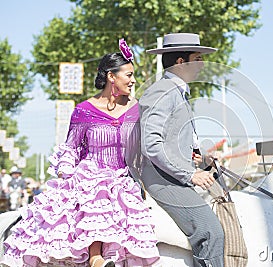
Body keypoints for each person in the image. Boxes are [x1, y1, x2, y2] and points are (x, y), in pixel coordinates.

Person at [1, 39, 160, 267]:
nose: (133, 80)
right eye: (129, 75)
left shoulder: (137, 110)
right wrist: (68, 176)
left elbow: (145, 147)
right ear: (111, 77)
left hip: (124, 180)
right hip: (88, 181)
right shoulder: (83, 111)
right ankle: (95, 258)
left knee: (114, 192)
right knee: (98, 186)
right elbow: (71, 148)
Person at [139, 33, 224, 267]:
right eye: (197, 58)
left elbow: (170, 140)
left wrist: (196, 157)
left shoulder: (177, 91)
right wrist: (190, 174)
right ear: (180, 62)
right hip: (163, 180)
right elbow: (151, 144)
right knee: (211, 233)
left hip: (173, 176)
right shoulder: (163, 91)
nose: (202, 64)